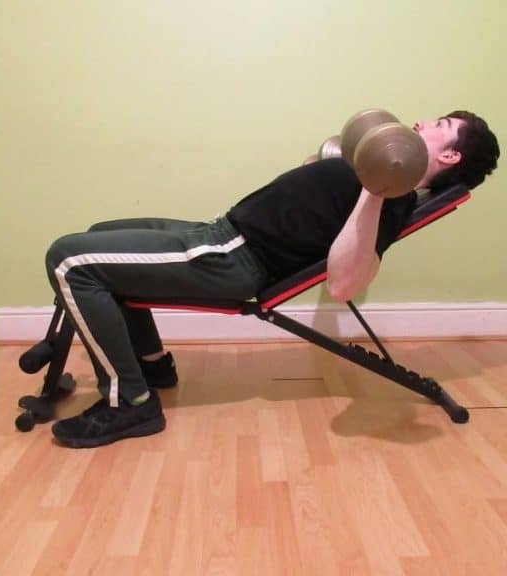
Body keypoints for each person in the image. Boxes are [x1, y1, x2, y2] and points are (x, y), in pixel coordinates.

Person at [45, 111, 498, 449]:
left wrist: (375, 190)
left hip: (231, 258)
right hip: (218, 233)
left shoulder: (390, 199)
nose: (422, 121)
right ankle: (152, 364)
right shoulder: (375, 175)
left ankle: (132, 405)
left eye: (440, 123)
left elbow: (343, 285)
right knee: (98, 237)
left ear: (449, 154)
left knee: (70, 259)